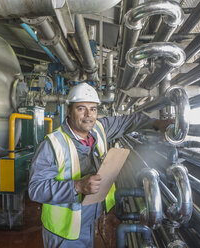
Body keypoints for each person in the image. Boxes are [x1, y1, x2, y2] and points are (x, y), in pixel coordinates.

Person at [29, 82, 171, 248]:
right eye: (81, 108)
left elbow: (128, 121)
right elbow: (35, 188)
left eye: (93, 109)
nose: (88, 115)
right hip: (64, 231)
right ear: (69, 111)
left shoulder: (98, 129)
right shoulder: (52, 144)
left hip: (90, 220)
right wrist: (77, 187)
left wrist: (156, 123)